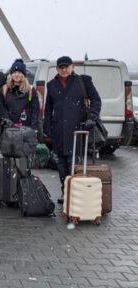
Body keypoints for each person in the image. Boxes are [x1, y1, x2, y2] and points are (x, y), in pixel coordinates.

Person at [43, 56, 101, 203]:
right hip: (59, 131)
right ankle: (65, 191)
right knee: (61, 165)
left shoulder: (83, 81)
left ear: (72, 67)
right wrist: (47, 128)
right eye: (61, 67)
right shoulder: (51, 85)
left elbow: (96, 100)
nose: (64, 70)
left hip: (78, 130)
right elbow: (48, 110)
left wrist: (92, 117)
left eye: (66, 67)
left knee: (75, 164)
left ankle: (75, 194)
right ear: (57, 69)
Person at [1, 59, 39, 130]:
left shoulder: (30, 90)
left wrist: (34, 128)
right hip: (8, 129)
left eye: (19, 72)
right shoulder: (4, 89)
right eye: (14, 72)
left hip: (25, 129)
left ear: (23, 74)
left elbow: (35, 110)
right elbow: (0, 106)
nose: (16, 75)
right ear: (11, 74)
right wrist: (6, 119)